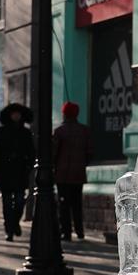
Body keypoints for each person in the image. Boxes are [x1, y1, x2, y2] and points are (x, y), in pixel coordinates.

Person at [0, 103, 35, 241]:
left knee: (20, 201)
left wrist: (28, 166)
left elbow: (31, 152)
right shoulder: (1, 132)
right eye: (14, 113)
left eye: (18, 113)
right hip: (5, 172)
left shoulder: (26, 133)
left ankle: (14, 223)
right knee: (7, 202)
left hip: (20, 172)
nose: (16, 116)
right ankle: (9, 229)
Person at [53, 101, 93, 241]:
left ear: (64, 114)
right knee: (77, 204)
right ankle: (79, 231)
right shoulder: (84, 131)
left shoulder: (59, 131)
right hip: (78, 174)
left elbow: (54, 153)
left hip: (62, 175)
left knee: (64, 204)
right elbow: (90, 153)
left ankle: (66, 232)